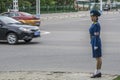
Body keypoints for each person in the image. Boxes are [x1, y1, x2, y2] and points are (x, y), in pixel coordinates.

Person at [89, 10, 102, 78]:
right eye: (91, 16)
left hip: (96, 41)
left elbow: (96, 35)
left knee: (98, 57)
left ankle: (97, 72)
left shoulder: (96, 25)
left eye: (93, 16)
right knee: (97, 57)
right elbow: (91, 34)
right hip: (94, 41)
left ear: (96, 17)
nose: (91, 17)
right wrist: (91, 41)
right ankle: (98, 72)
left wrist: (96, 45)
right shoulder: (93, 23)